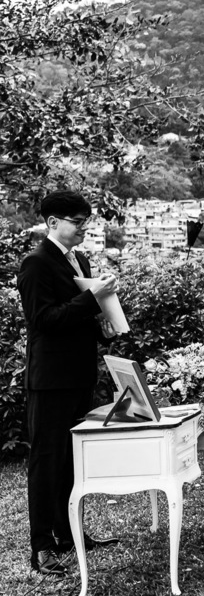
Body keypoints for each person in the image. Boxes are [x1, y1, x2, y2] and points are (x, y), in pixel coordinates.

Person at [18, 191, 120, 576]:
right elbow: (43, 319)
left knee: (72, 462)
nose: (83, 229)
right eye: (77, 222)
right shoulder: (35, 263)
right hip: (50, 380)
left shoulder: (80, 259)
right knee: (46, 463)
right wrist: (93, 298)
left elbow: (76, 317)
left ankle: (68, 533)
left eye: (85, 222)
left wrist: (103, 327)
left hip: (79, 376)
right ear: (53, 222)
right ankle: (42, 547)